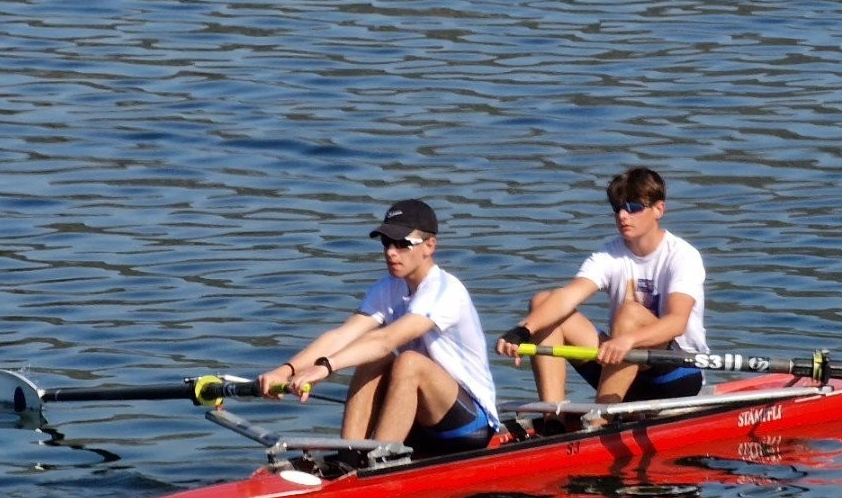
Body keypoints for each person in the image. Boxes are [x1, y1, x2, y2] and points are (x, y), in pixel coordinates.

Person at [260, 199, 500, 457]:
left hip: (469, 426)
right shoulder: (387, 288)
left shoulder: (445, 291)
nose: (391, 252)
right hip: (420, 418)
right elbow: (342, 335)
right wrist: (285, 370)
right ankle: (350, 456)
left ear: (430, 246)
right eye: (386, 243)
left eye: (402, 244)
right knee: (375, 360)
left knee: (408, 361)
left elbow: (386, 339)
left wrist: (325, 367)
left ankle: (381, 462)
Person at [495, 167, 708, 404]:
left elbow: (676, 323)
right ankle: (553, 418)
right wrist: (523, 331)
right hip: (620, 366)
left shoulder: (683, 256)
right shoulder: (610, 255)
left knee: (630, 313)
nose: (623, 216)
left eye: (634, 208)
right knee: (543, 303)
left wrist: (630, 340)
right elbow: (567, 297)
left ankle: (600, 421)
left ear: (659, 209)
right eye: (618, 208)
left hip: (675, 373)